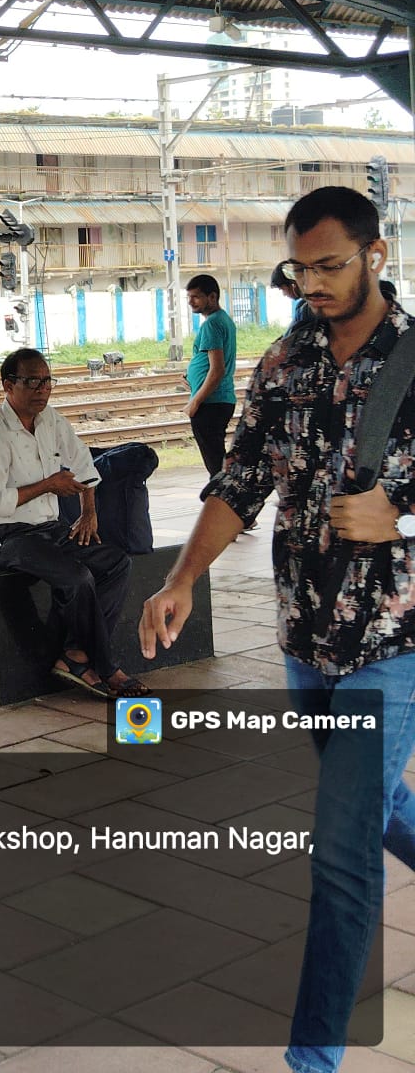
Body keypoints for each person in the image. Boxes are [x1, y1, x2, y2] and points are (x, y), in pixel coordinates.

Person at [141, 186, 415, 1073]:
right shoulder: (285, 359)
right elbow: (240, 480)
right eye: (300, 269)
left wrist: (402, 522)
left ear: (377, 254)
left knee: (339, 861)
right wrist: (182, 578)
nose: (313, 286)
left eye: (330, 266)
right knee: (374, 806)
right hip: (306, 640)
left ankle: (313, 1059)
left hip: (395, 644)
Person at [0, 347, 149, 699]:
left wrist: (88, 511)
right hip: (2, 537)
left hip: (45, 529)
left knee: (114, 563)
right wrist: (50, 484)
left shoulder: (50, 420)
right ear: (8, 385)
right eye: (32, 382)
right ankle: (106, 667)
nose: (43, 390)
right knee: (76, 577)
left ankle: (76, 655)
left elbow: (83, 464)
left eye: (47, 381)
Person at [184, 273, 237, 482]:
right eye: (189, 297)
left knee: (216, 468)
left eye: (196, 297)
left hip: (210, 403)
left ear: (212, 297)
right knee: (218, 464)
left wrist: (195, 402)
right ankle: (239, 512)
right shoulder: (223, 320)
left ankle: (234, 510)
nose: (190, 302)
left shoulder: (211, 325)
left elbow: (217, 370)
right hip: (220, 400)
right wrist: (192, 375)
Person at [272, 260, 312, 329]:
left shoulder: (306, 310)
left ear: (292, 284)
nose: (284, 294)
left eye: (283, 289)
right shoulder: (302, 306)